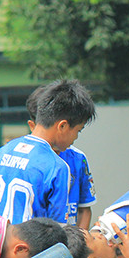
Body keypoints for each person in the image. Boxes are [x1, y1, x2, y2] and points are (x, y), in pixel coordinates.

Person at [0, 79, 96, 223]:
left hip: (3, 236)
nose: (76, 137)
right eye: (78, 131)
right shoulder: (57, 165)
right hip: (34, 238)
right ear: (62, 126)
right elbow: (57, 229)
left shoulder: (5, 151)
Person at [25, 86, 97, 229]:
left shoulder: (78, 159)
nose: (76, 137)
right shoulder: (23, 157)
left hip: (69, 237)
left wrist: (79, 240)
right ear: (33, 125)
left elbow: (84, 209)